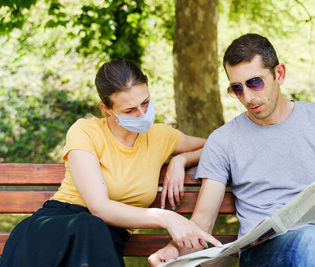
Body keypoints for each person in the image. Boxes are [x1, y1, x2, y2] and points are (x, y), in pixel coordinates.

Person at [148, 33, 315, 266]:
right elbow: (202, 222)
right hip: (264, 252)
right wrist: (172, 250)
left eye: (255, 83)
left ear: (280, 73)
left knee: (314, 239)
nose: (247, 97)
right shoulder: (223, 140)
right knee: (312, 240)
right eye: (237, 88)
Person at [0, 57, 221, 267]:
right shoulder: (85, 131)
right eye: (130, 110)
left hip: (104, 244)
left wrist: (181, 159)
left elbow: (216, 145)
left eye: (145, 102)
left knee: (95, 231)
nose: (142, 113)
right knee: (90, 225)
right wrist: (166, 217)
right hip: (55, 232)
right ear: (107, 109)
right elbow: (99, 208)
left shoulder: (161, 136)